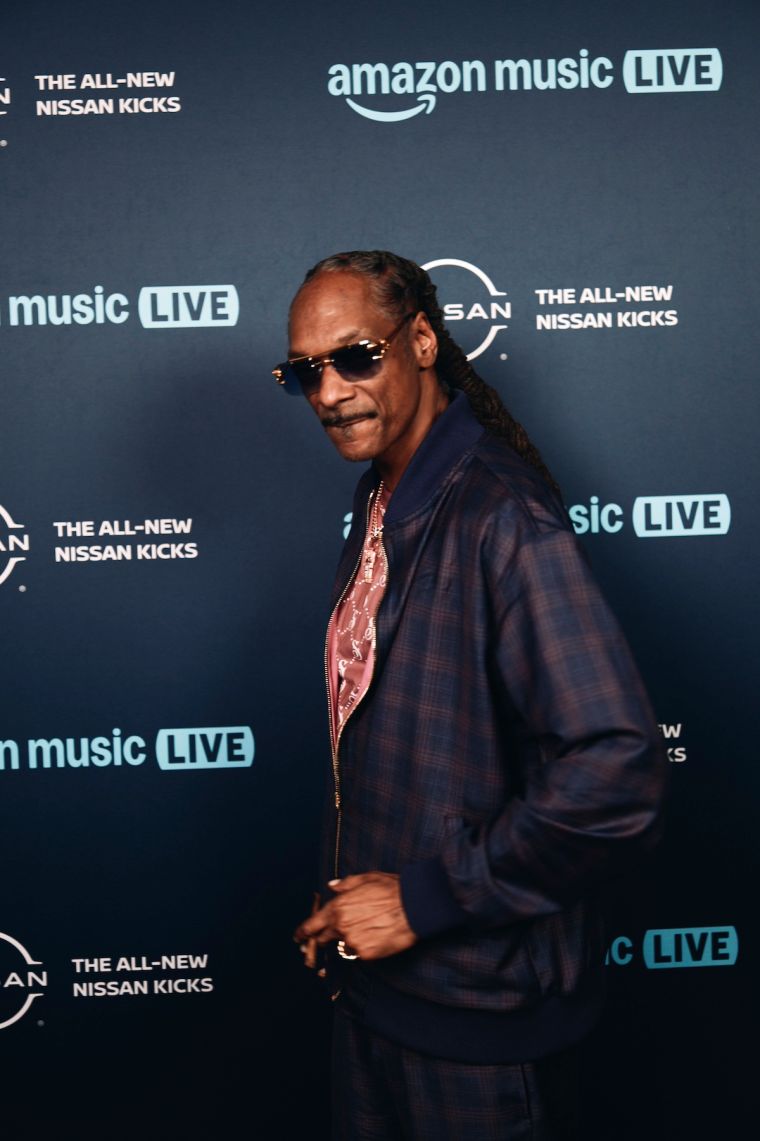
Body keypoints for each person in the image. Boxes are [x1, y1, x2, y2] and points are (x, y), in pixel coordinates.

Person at [281, 250, 666, 1139]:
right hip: (378, 997)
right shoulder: (383, 497)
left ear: (422, 341)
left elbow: (618, 772)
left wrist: (422, 899)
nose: (330, 392)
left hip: (481, 1028)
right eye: (305, 371)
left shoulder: (502, 516)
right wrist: (353, 906)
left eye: (356, 357)